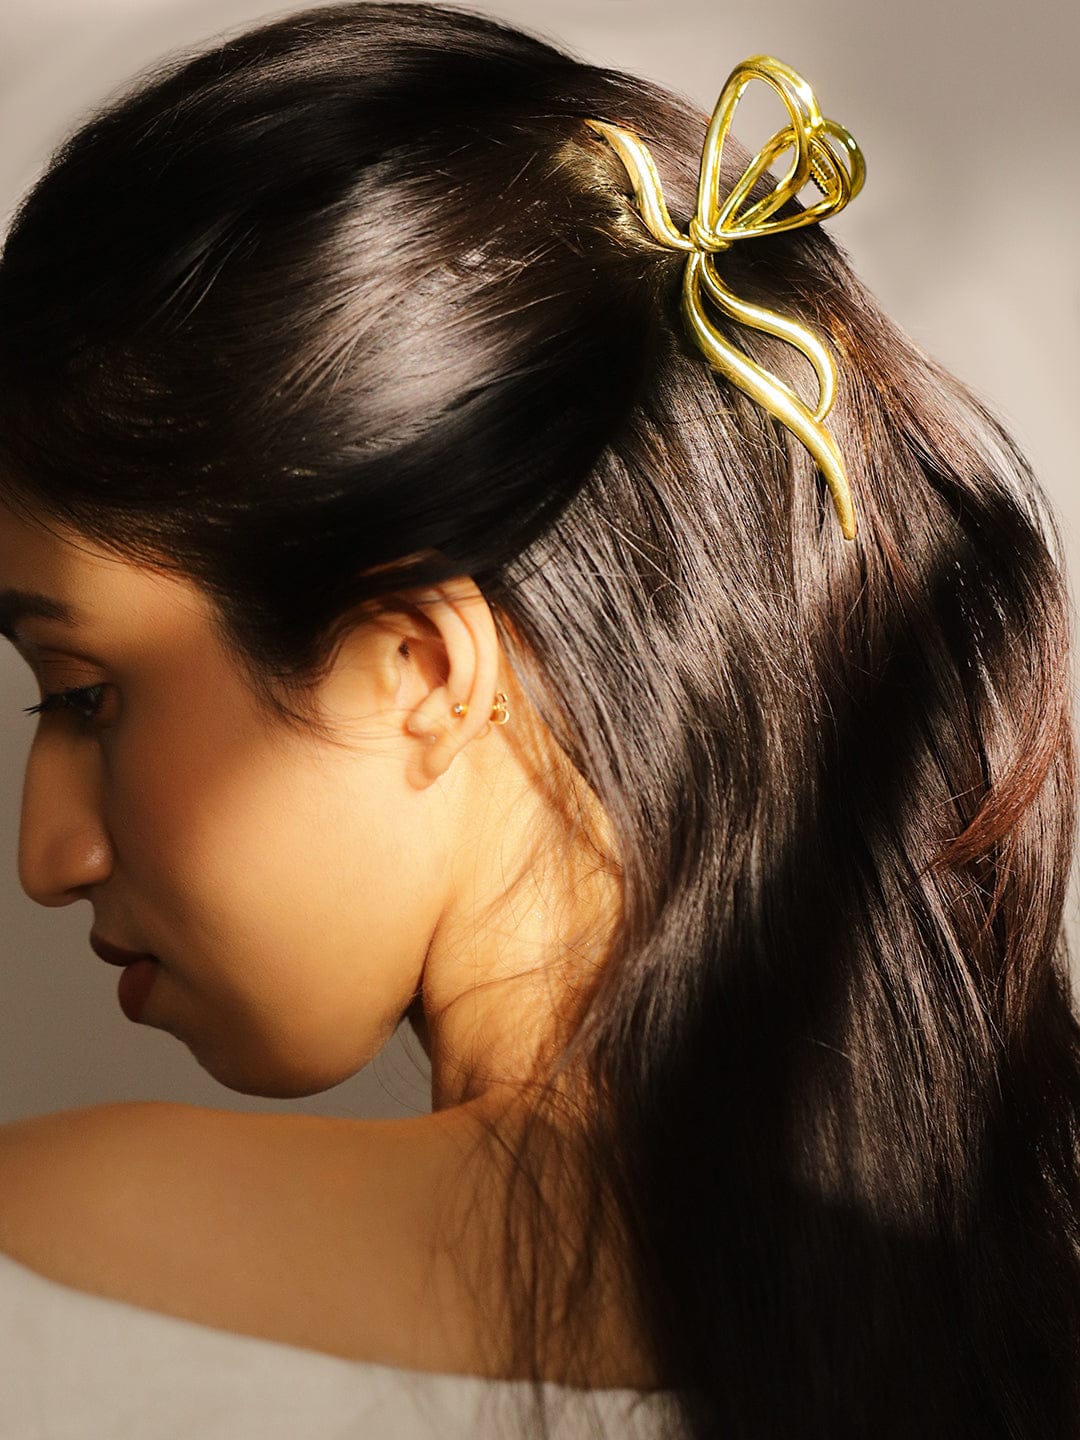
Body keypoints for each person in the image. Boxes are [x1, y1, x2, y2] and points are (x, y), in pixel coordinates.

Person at [0, 3, 1077, 1437]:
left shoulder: (64, 1253)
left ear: (416, 666)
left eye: (85, 694)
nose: (48, 854)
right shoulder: (1009, 1306)